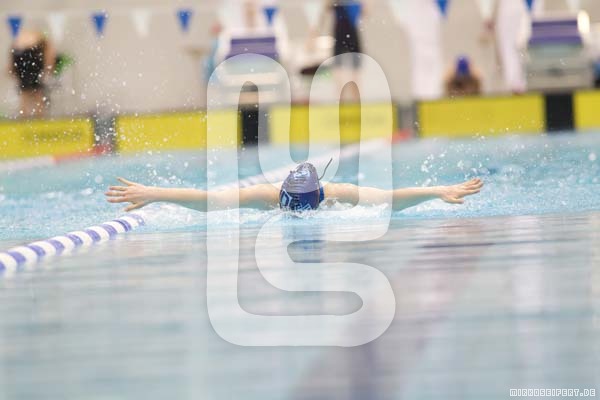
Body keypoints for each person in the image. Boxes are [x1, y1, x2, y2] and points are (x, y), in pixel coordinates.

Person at [105, 162, 483, 213]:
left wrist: (438, 190)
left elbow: (388, 201)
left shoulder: (336, 193)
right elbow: (211, 201)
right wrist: (153, 193)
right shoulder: (265, 196)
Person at [7, 29, 56, 118]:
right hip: (28, 57)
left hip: (18, 55)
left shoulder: (22, 39)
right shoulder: (42, 41)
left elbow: (12, 53)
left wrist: (11, 68)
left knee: (25, 93)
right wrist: (49, 69)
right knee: (37, 93)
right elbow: (50, 56)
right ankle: (38, 117)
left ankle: (24, 117)